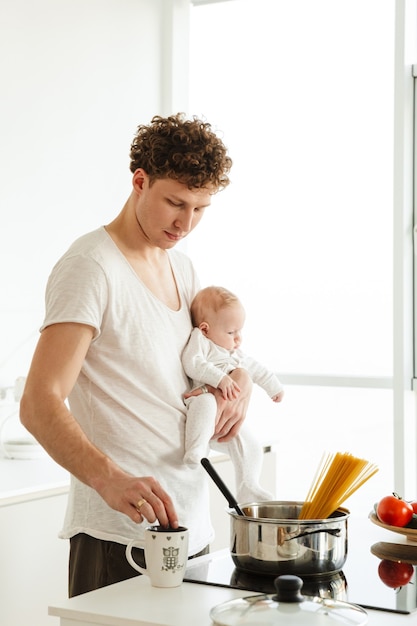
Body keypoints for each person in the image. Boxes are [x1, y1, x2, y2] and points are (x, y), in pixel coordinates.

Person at [19, 113, 253, 597]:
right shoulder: (90, 267)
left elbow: (197, 361)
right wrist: (109, 479)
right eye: (175, 203)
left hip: (192, 529)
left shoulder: (182, 267)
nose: (186, 223)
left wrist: (241, 381)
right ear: (139, 181)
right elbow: (39, 401)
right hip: (119, 535)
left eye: (201, 208)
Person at [182, 286, 284, 503]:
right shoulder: (202, 342)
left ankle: (248, 485)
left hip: (226, 421)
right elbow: (192, 363)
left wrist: (274, 387)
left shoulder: (235, 354)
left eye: (240, 331)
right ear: (205, 329)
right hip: (202, 404)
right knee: (206, 403)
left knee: (253, 447)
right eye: (231, 332)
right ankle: (196, 448)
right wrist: (220, 379)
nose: (238, 338)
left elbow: (257, 369)